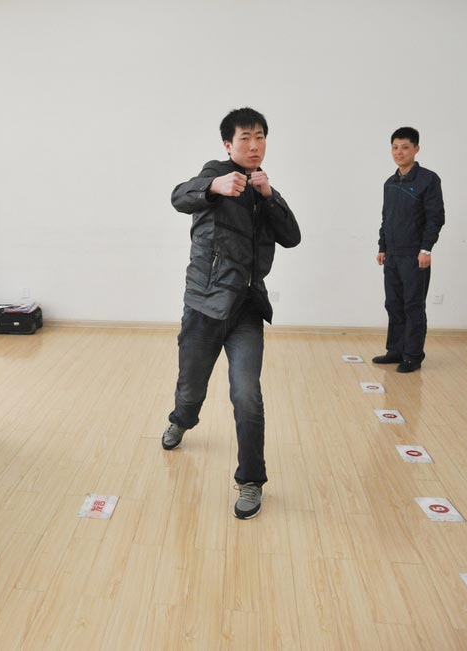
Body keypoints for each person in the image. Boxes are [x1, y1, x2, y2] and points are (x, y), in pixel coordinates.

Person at [162, 107, 301, 520]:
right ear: (228, 144)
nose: (254, 145)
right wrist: (213, 187)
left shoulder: (262, 188)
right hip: (204, 306)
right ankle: (181, 420)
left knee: (247, 395)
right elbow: (178, 196)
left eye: (260, 137)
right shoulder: (215, 174)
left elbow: (292, 236)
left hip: (245, 309)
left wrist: (269, 196)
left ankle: (251, 480)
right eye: (245, 138)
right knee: (191, 386)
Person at [372, 127, 445, 373]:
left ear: (416, 148)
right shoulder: (389, 183)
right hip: (392, 255)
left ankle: (413, 356)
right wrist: (382, 247)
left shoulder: (428, 179)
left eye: (405, 147)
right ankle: (395, 350)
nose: (399, 152)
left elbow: (436, 217)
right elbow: (386, 218)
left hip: (415, 255)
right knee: (393, 303)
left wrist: (426, 249)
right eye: (395, 147)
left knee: (413, 305)